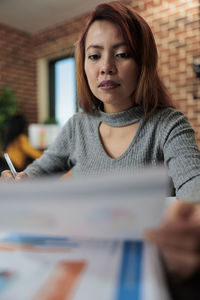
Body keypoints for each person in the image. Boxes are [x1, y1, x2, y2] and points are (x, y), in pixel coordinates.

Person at [1, 1, 200, 296]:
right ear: (83, 65)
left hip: (144, 270)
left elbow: (194, 186)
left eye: (122, 54)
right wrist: (19, 181)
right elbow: (37, 171)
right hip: (83, 267)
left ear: (143, 62)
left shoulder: (168, 124)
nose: (106, 67)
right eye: (94, 55)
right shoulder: (77, 126)